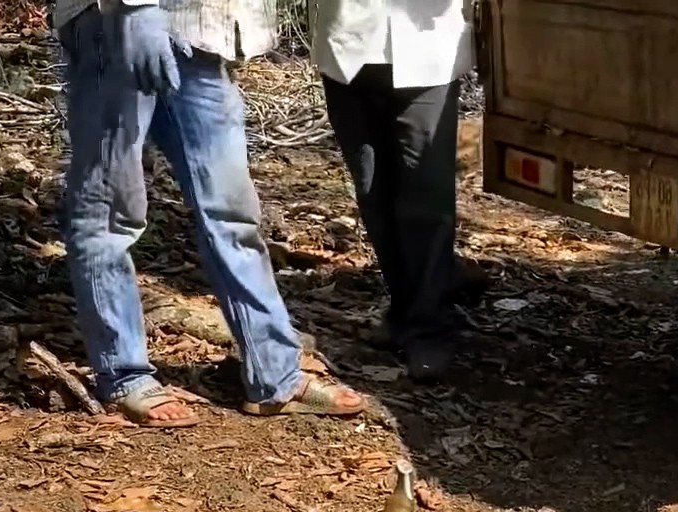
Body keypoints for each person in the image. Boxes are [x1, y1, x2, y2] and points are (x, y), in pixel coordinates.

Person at [52, 0, 366, 426]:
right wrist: (138, 10)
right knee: (109, 209)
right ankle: (123, 374)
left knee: (231, 209)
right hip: (116, 20)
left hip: (198, 29)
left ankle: (275, 375)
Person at [310, 0, 486, 381]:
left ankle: (429, 328)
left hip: (426, 51)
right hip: (348, 46)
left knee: (426, 197)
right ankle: (406, 310)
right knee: (374, 192)